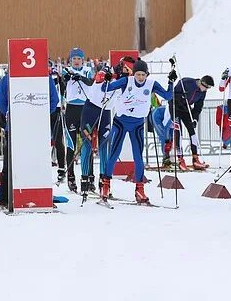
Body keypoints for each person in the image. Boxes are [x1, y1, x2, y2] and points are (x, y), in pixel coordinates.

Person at [99, 59, 175, 204]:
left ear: (147, 74)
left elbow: (168, 96)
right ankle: (106, 185)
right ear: (134, 74)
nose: (140, 78)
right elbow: (105, 89)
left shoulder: (151, 84)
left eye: (143, 75)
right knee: (114, 153)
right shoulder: (126, 81)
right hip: (121, 122)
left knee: (138, 158)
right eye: (138, 74)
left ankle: (140, 189)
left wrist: (171, 81)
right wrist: (107, 79)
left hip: (138, 124)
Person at [0, 72, 59, 210]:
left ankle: (5, 200)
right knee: (24, 163)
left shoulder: (10, 77)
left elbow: (1, 102)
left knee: (14, 163)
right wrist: (39, 114)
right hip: (30, 127)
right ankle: (5, 199)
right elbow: (53, 101)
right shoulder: (10, 78)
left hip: (24, 126)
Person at [79, 67, 119, 199]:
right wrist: (106, 77)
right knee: (87, 143)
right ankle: (84, 181)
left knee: (104, 145)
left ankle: (104, 183)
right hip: (91, 110)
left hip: (106, 111)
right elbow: (97, 79)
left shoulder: (125, 80)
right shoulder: (104, 73)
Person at [61, 47, 94, 192]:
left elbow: (91, 82)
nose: (76, 61)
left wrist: (79, 77)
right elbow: (62, 81)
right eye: (74, 58)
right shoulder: (66, 70)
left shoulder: (87, 70)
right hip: (72, 110)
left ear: (82, 60)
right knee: (71, 145)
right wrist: (67, 78)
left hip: (85, 110)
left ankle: (89, 177)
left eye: (79, 59)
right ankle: (71, 177)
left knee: (87, 144)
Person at [170, 75, 214, 171]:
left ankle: (195, 158)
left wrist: (195, 119)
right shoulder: (186, 82)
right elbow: (172, 94)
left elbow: (198, 107)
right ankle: (180, 159)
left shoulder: (203, 92)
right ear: (201, 83)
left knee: (193, 133)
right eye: (206, 87)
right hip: (175, 107)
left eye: (208, 88)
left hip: (186, 108)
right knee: (179, 132)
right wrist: (181, 96)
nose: (206, 90)